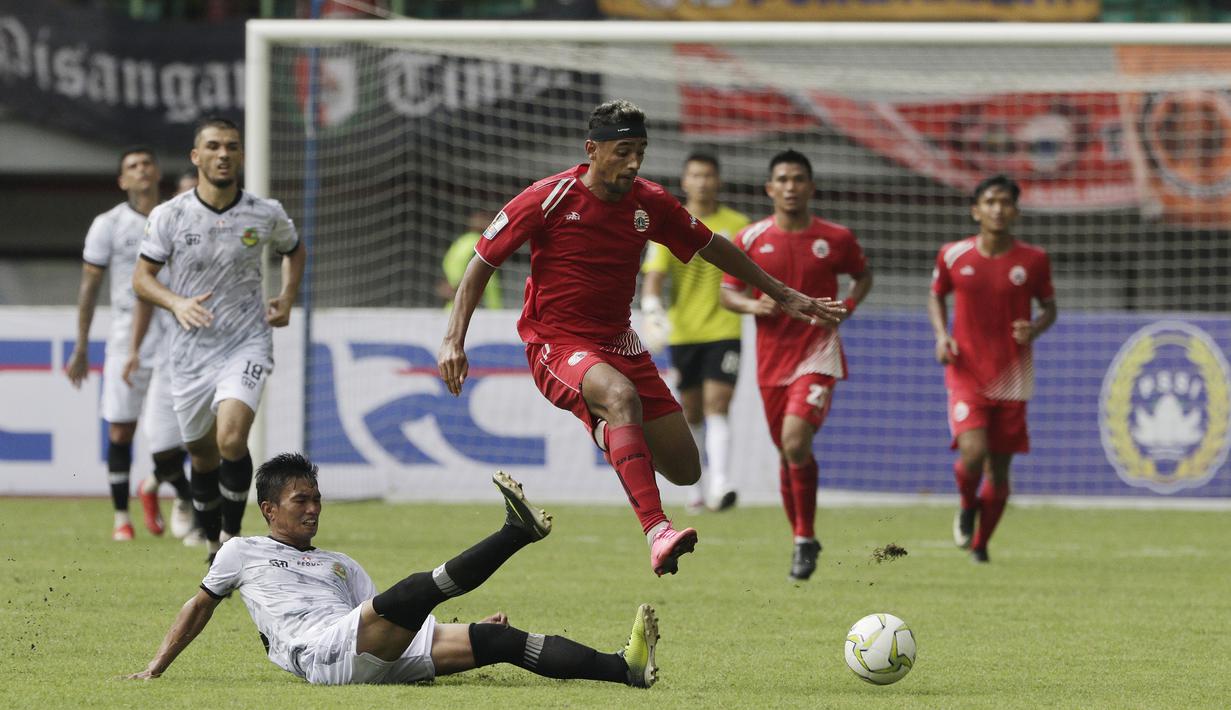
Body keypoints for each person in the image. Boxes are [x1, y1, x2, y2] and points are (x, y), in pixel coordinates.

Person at [438, 100, 846, 577]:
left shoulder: (649, 202)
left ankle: (604, 430)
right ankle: (657, 530)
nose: (633, 163)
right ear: (592, 150)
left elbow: (713, 246)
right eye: (623, 151)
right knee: (618, 395)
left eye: (641, 152)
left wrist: (781, 291)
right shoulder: (547, 197)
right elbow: (482, 261)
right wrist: (453, 339)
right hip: (556, 343)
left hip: (620, 342)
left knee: (685, 468)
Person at [127, 453, 662, 689]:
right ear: (269, 509)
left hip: (365, 649)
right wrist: (156, 666)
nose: (313, 509)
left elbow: (392, 628)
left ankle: (624, 669)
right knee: (409, 594)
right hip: (318, 654)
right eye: (300, 501)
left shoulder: (341, 565)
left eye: (317, 499)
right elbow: (199, 606)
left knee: (498, 642)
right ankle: (514, 534)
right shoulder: (240, 551)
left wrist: (467, 625)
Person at [133, 116, 307, 560]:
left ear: (241, 155)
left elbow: (294, 249)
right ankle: (212, 539)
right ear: (197, 156)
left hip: (246, 341)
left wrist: (286, 296)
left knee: (231, 438)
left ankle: (230, 539)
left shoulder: (264, 212)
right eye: (213, 146)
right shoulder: (170, 215)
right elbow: (142, 278)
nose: (223, 154)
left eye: (231, 146)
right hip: (191, 352)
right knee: (203, 455)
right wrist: (176, 303)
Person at [720, 150, 873, 582]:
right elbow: (726, 293)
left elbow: (863, 275)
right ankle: (802, 538)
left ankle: (805, 537)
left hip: (817, 352)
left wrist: (849, 305)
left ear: (811, 186)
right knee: (788, 453)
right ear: (770, 188)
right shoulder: (749, 239)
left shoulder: (836, 238)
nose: (790, 186)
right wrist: (754, 304)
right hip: (772, 362)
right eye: (782, 179)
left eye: (798, 179)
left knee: (794, 441)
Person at [64, 146, 193, 542]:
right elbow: (90, 287)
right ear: (122, 180)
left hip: (175, 335)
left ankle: (185, 499)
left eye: (147, 164)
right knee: (121, 431)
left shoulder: (177, 219)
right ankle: (122, 517)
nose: (141, 171)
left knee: (170, 437)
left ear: (157, 174)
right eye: (132, 167)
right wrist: (82, 344)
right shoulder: (108, 225)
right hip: (125, 335)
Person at [927, 174, 1057, 564]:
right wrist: (940, 335)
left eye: (1005, 202)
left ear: (1015, 211)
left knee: (999, 470)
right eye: (990, 202)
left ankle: (981, 544)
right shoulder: (953, 255)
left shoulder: (1033, 260)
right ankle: (967, 505)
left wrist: (1034, 327)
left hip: (1012, 376)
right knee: (972, 452)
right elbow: (936, 296)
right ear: (975, 210)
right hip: (966, 371)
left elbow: (1050, 307)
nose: (997, 209)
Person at [640, 151, 749, 513]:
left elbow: (753, 273)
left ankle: (721, 484)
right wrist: (652, 308)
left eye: (708, 175)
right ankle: (697, 490)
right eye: (695, 176)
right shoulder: (669, 224)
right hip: (685, 333)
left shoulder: (738, 224)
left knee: (719, 403)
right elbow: (654, 276)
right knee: (692, 412)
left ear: (718, 180)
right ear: (685, 181)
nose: (702, 182)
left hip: (724, 328)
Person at [123, 161, 205, 542]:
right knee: (162, 447)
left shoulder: (230, 240)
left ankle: (210, 523)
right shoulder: (162, 244)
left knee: (216, 441)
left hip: (217, 357)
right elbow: (143, 292)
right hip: (170, 358)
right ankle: (182, 494)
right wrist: (134, 349)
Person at [439, 210, 503, 309]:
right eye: (486, 219)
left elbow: (445, 281)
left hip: (453, 309)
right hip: (477, 312)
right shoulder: (479, 245)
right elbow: (473, 278)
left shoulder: (459, 243)